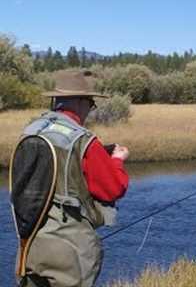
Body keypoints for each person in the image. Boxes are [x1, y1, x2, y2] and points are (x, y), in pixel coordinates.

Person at [13, 69, 129, 287]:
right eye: (90, 103)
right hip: (69, 252)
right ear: (79, 101)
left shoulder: (32, 130)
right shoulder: (84, 140)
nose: (90, 109)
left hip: (29, 245)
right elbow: (114, 188)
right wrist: (117, 160)